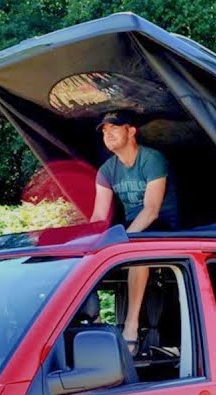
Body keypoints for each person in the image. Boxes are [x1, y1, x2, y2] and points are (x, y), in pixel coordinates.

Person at [89, 110, 180, 352]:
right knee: (86, 256)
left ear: (131, 131)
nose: (108, 134)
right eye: (104, 131)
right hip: (132, 228)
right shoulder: (106, 170)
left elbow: (151, 211)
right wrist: (88, 244)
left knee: (137, 250)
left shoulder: (151, 159)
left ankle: (131, 325)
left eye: (114, 128)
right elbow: (98, 218)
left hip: (164, 227)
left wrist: (123, 239)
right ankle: (95, 321)